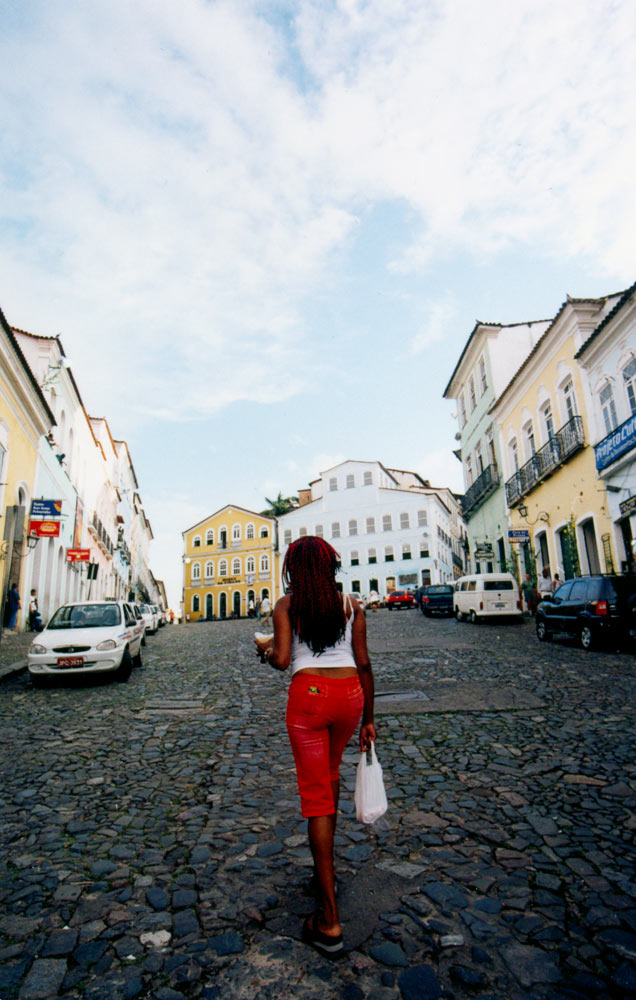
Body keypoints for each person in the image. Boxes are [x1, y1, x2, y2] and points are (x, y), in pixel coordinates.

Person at [255, 536, 376, 959]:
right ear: (329, 567)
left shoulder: (288, 606)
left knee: (316, 800)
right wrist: (369, 719)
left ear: (294, 569)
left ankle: (329, 920)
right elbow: (363, 662)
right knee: (330, 777)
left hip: (308, 698)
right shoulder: (351, 605)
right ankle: (325, 872)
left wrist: (265, 650)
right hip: (349, 698)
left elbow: (285, 659)